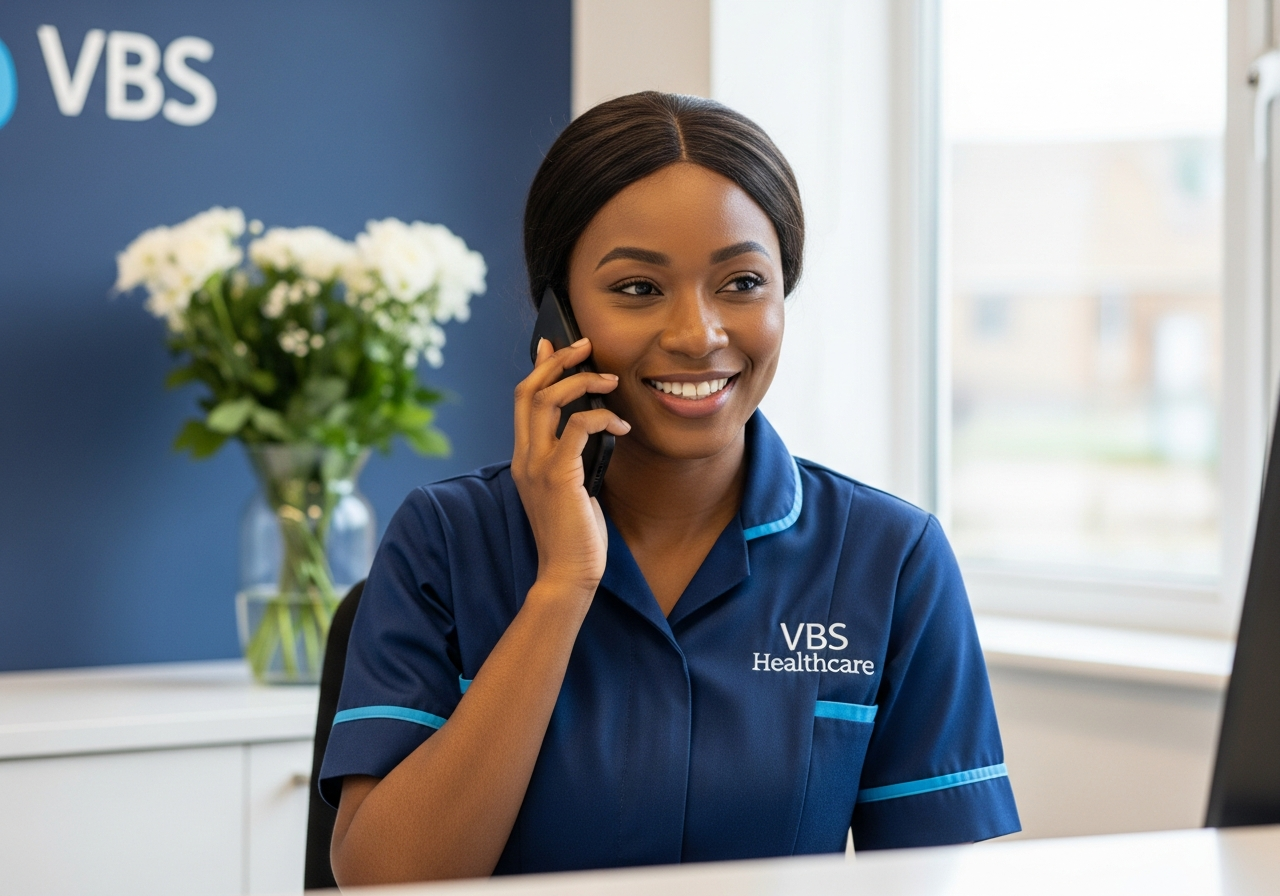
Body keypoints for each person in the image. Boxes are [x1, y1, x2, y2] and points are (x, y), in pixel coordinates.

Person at [319, 91, 1020, 885]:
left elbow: (931, 880)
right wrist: (561, 587)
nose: (698, 335)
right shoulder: (446, 540)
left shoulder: (889, 557)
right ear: (556, 314)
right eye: (638, 289)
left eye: (743, 282)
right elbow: (387, 881)